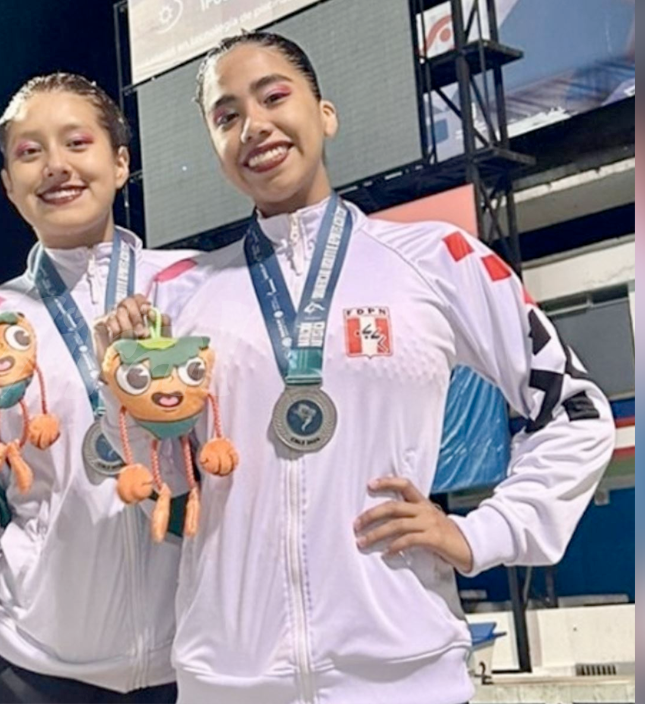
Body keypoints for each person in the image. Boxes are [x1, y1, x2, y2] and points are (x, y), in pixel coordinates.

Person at [99, 32, 616, 703]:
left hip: (405, 679)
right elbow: (167, 481)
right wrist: (121, 390)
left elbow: (575, 411)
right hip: (230, 680)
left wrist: (480, 533)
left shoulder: (438, 259)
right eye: (227, 117)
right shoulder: (179, 294)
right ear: (217, 148)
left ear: (326, 114)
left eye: (273, 96)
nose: (254, 126)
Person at [0, 73, 193, 703]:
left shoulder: (191, 289)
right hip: (36, 665)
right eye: (30, 152)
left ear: (120, 163)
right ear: (9, 186)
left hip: (194, 657)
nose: (56, 166)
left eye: (77, 143)